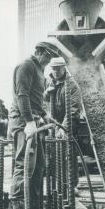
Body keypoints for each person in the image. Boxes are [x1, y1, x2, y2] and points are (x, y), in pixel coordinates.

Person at [7, 40, 60, 209]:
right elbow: (22, 95)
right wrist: (29, 121)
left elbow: (36, 99)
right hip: (23, 123)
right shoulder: (26, 66)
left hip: (34, 122)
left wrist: (44, 116)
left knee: (38, 167)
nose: (48, 60)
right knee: (24, 166)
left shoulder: (39, 70)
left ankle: (34, 208)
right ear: (38, 51)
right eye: (47, 56)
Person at [44, 57, 82, 189]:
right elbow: (44, 102)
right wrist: (46, 94)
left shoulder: (72, 85)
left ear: (64, 68)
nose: (55, 71)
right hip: (54, 123)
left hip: (69, 124)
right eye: (53, 68)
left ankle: (72, 186)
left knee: (68, 154)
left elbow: (73, 109)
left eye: (58, 68)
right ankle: (59, 184)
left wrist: (63, 128)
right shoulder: (49, 83)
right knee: (53, 154)